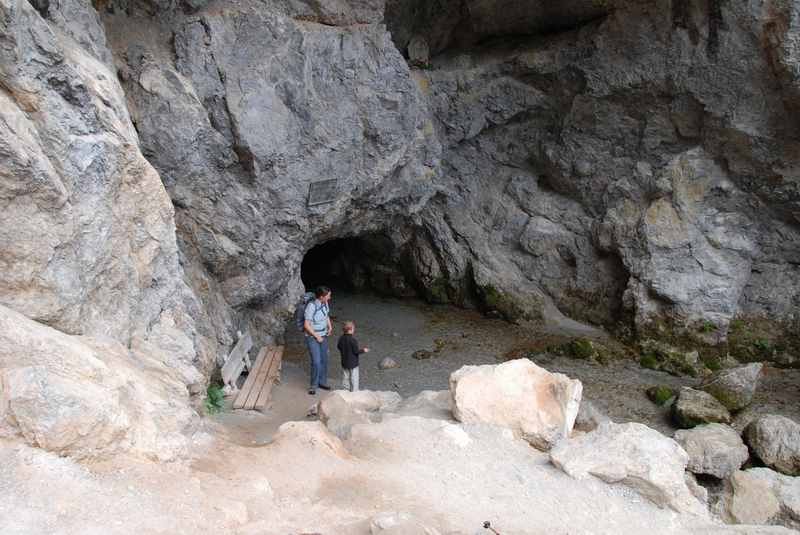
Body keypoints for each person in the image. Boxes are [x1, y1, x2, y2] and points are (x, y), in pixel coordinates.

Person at [304, 286, 333, 395]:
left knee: (324, 359)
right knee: (316, 361)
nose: (330, 298)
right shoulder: (311, 307)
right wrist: (317, 336)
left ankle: (322, 382)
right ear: (322, 297)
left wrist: (329, 327)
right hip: (312, 337)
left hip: (323, 335)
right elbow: (306, 325)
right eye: (328, 296)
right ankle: (313, 385)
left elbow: (326, 315)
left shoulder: (325, 303)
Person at [336, 320, 369, 392]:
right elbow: (356, 351)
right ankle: (354, 391)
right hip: (353, 363)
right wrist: (364, 350)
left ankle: (345, 390)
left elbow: (338, 346)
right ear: (350, 330)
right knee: (354, 378)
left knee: (345, 377)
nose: (354, 330)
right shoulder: (353, 340)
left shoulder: (341, 338)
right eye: (353, 328)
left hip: (344, 362)